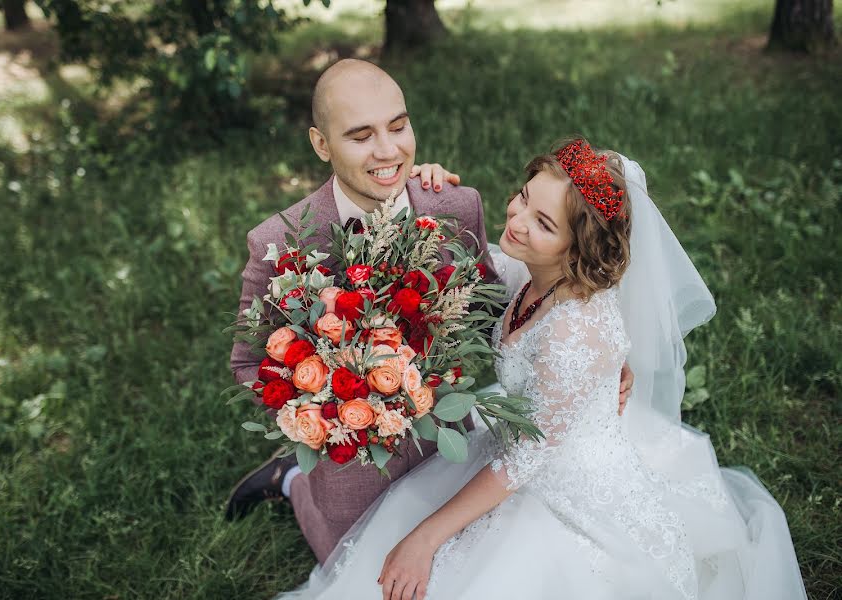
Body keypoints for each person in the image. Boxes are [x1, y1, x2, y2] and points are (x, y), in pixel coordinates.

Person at [277, 138, 807, 600]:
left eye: (543, 223)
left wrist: (427, 535)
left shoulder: (577, 331)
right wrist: (428, 188)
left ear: (579, 249)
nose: (517, 219)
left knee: (432, 564)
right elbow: (465, 254)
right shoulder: (530, 271)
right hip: (520, 447)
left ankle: (294, 488)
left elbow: (528, 460)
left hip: (565, 494)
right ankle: (300, 488)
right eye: (525, 197)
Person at [224, 58, 635, 563]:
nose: (388, 150)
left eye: (398, 126)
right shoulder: (279, 242)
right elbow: (249, 364)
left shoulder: (453, 207)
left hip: (444, 438)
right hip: (348, 450)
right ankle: (290, 480)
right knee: (353, 568)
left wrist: (588, 362)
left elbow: (496, 309)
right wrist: (328, 413)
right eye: (360, 136)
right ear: (321, 144)